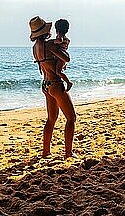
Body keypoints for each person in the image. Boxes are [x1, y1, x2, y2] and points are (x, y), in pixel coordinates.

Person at [29, 16, 77, 159]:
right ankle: (68, 153)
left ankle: (46, 152)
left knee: (51, 119)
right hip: (56, 84)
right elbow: (66, 59)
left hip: (45, 84)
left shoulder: (35, 47)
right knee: (71, 118)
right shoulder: (49, 45)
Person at [53, 19, 73, 92]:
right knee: (59, 71)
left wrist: (53, 42)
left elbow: (60, 41)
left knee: (58, 72)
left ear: (56, 29)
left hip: (61, 57)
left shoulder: (60, 36)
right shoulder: (65, 38)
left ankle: (68, 82)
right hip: (63, 56)